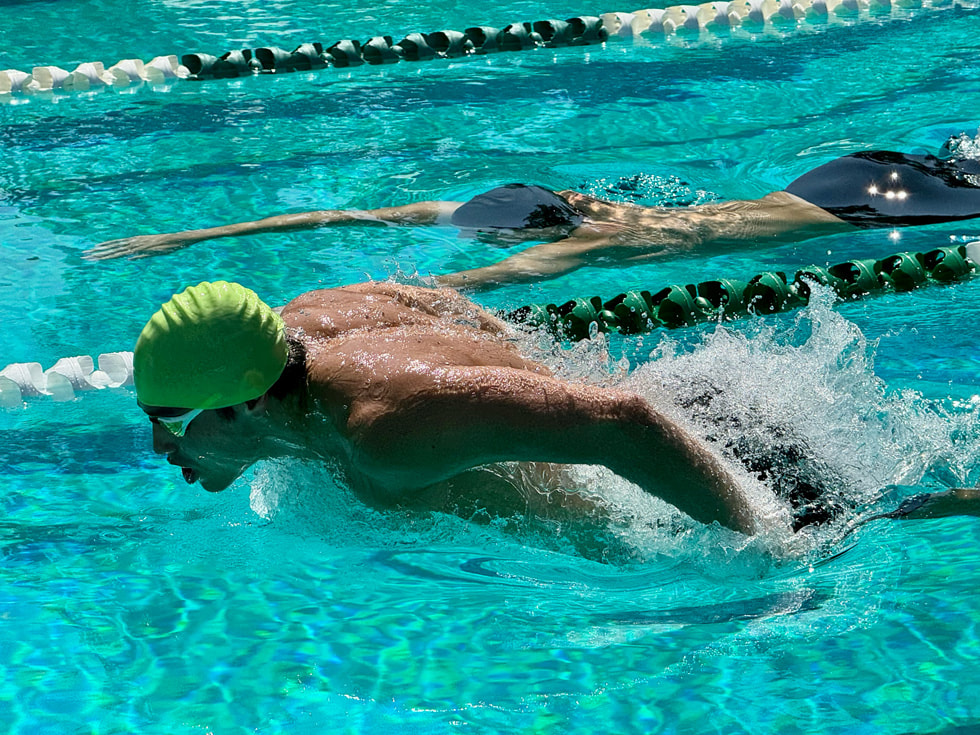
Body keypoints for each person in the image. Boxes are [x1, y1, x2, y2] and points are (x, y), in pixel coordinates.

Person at [136, 280, 980, 535]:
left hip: (696, 469)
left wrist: (762, 539)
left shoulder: (380, 434)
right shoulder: (302, 320)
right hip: (689, 402)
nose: (158, 444)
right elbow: (430, 299)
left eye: (169, 421)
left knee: (898, 518)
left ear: (243, 406)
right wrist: (529, 381)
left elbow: (623, 426)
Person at [88, 150, 980, 289]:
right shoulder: (528, 208)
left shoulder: (592, 238)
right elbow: (337, 211)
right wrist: (192, 235)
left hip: (849, 204)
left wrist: (359, 301)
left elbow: (480, 282)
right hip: (831, 177)